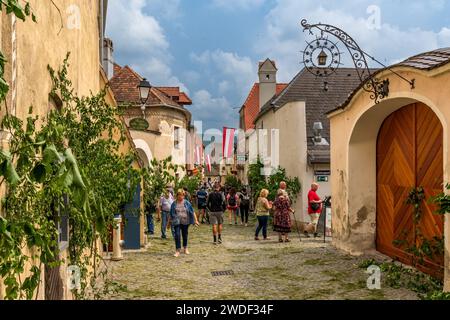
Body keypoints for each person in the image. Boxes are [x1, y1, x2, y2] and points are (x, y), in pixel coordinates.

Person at [169, 189, 199, 257]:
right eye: (179, 195)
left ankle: (185, 248)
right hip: (177, 222)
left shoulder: (187, 203)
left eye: (182, 195)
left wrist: (196, 220)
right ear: (177, 195)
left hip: (185, 222)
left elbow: (192, 211)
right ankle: (177, 250)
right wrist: (168, 224)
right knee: (177, 235)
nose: (180, 197)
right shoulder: (174, 203)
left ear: (184, 196)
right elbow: (171, 214)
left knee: (184, 235)